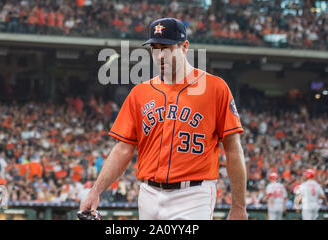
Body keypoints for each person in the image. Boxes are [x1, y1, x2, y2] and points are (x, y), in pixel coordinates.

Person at [80, 17, 248, 220]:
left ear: (185, 47)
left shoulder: (215, 88)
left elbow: (233, 148)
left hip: (193, 195)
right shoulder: (139, 93)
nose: (160, 55)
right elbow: (123, 149)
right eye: (155, 48)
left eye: (166, 48)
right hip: (149, 194)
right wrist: (96, 190)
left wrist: (238, 206)